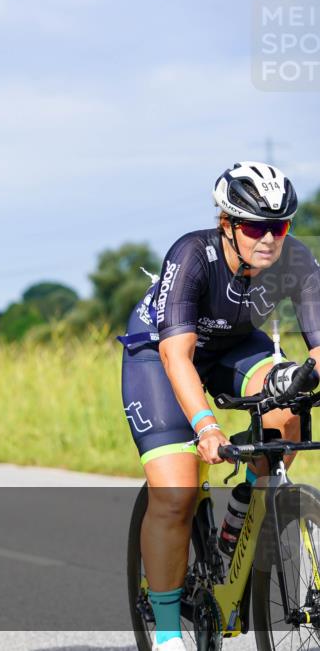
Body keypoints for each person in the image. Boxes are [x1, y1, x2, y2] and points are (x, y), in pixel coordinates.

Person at [118, 161, 320, 651]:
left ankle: (238, 523)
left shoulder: (296, 259)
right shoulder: (192, 254)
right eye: (255, 226)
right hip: (160, 353)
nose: (269, 238)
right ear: (227, 224)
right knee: (177, 491)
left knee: (290, 406)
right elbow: (177, 355)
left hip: (232, 345)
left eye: (280, 225)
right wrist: (207, 427)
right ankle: (168, 634)